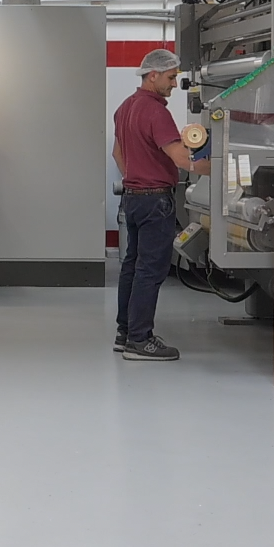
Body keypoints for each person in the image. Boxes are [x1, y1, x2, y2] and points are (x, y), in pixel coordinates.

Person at [111, 48, 209, 361]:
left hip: (133, 198)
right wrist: (220, 167)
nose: (174, 83)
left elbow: (117, 153)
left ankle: (125, 332)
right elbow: (182, 159)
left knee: (132, 265)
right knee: (150, 270)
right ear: (152, 75)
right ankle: (140, 340)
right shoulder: (156, 111)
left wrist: (137, 178)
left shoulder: (125, 107)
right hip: (155, 201)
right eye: (170, 77)